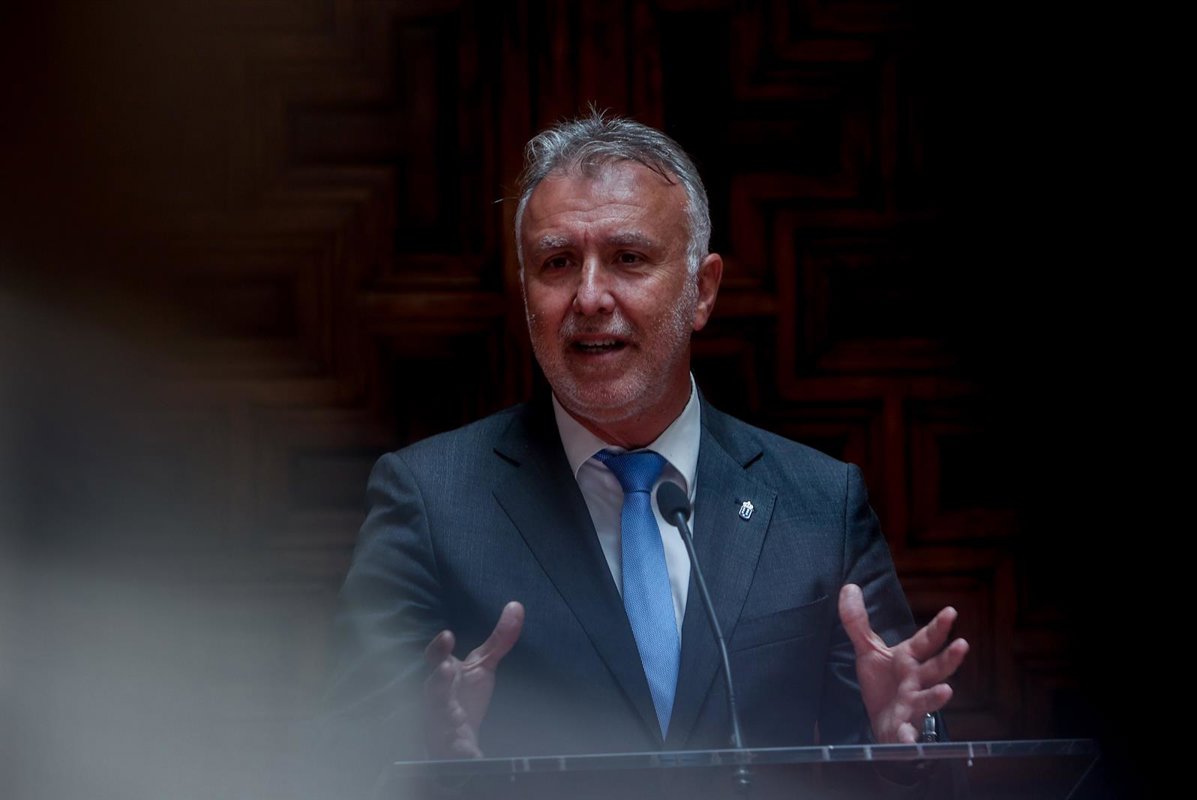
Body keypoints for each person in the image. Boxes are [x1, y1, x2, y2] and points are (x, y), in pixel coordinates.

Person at [322, 111, 968, 795]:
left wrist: (901, 744)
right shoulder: (429, 500)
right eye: (556, 263)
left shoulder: (820, 505)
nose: (589, 297)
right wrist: (422, 752)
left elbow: (904, 760)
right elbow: (344, 763)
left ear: (702, 291)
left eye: (628, 258)